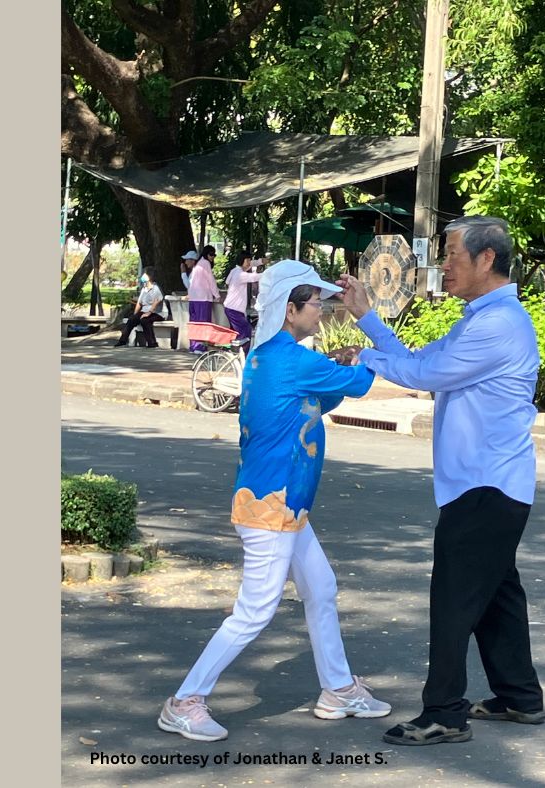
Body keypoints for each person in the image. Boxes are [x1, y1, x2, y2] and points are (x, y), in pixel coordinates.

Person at [157, 260, 391, 742]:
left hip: (284, 505)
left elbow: (321, 401)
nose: (322, 311)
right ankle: (184, 702)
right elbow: (360, 384)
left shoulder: (268, 355)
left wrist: (338, 366)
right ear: (290, 309)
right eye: (316, 303)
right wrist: (367, 351)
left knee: (321, 589)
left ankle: (338, 690)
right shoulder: (293, 360)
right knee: (254, 612)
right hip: (272, 506)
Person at [336, 215, 545, 746]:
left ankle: (444, 714)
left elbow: (426, 375)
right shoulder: (480, 319)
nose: (443, 265)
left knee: (453, 601)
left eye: (452, 254)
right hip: (487, 485)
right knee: (497, 597)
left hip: (486, 486)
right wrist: (366, 317)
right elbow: (417, 360)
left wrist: (363, 356)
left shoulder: (499, 325)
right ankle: (519, 697)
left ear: (487, 258)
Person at [114, 267, 165, 348]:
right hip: (144, 311)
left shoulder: (155, 288)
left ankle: (152, 343)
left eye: (144, 274)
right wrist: (135, 314)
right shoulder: (144, 289)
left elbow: (157, 300)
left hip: (157, 313)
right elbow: (139, 303)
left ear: (149, 276)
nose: (142, 276)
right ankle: (122, 341)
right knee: (131, 319)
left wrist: (149, 312)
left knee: (145, 320)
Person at [222, 250, 263, 350]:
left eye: (249, 260)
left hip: (231, 308)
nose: (249, 263)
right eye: (247, 260)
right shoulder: (240, 274)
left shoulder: (234, 271)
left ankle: (233, 353)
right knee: (245, 331)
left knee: (236, 333)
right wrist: (270, 273)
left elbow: (227, 282)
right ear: (241, 260)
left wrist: (260, 262)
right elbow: (255, 277)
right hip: (234, 309)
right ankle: (243, 354)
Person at [187, 245, 221, 353]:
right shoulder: (205, 263)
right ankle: (199, 346)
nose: (212, 257)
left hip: (193, 298)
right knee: (203, 323)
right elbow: (211, 280)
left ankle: (193, 345)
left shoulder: (197, 264)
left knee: (194, 322)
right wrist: (217, 295)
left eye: (214, 255)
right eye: (211, 254)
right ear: (206, 254)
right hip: (203, 298)